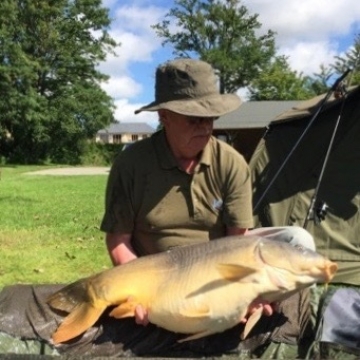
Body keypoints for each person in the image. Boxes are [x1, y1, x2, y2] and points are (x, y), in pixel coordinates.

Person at [100, 58, 315, 326]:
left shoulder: (232, 163)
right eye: (194, 119)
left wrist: (245, 290)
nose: (205, 126)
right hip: (160, 276)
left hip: (218, 265)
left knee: (299, 242)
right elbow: (119, 241)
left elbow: (237, 242)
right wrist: (137, 293)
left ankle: (257, 304)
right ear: (164, 116)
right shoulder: (131, 164)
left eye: (211, 117)